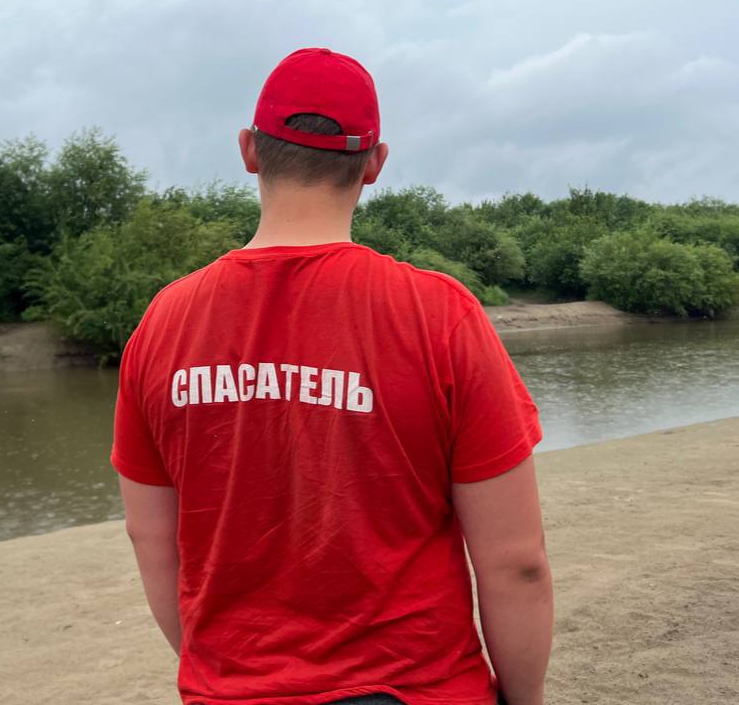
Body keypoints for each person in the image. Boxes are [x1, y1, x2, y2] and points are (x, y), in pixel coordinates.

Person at [111, 47, 553, 705]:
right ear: (374, 163)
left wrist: (232, 677)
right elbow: (516, 563)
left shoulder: (163, 325)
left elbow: (154, 541)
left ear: (249, 151)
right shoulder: (440, 316)